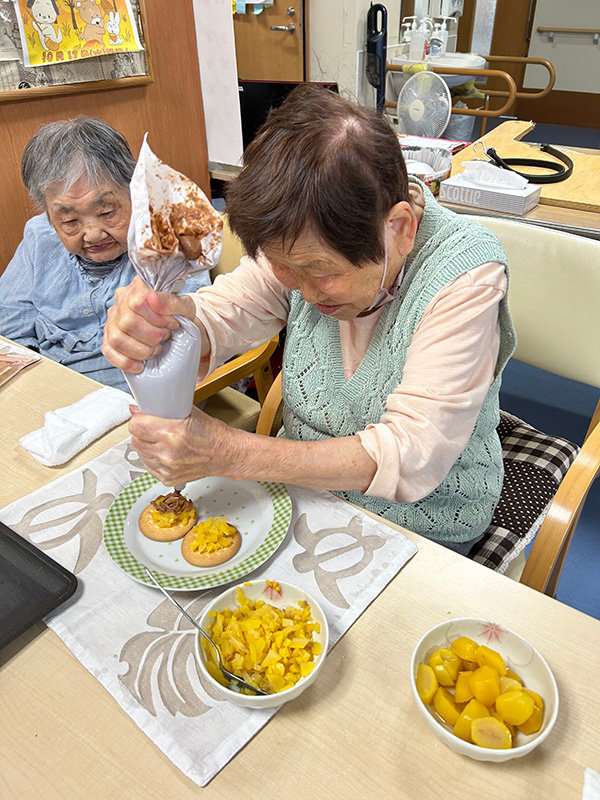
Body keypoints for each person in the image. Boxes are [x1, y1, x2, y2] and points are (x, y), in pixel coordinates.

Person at [102, 85, 516, 554]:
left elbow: (411, 453)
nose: (301, 288)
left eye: (319, 270)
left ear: (399, 228)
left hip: (423, 522)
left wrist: (230, 452)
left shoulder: (466, 274)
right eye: (282, 266)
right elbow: (229, 309)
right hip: (298, 489)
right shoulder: (302, 239)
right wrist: (167, 324)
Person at [0, 116, 209, 393]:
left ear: (134, 190)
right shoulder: (40, 237)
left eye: (107, 212)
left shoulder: (168, 237)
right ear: (49, 214)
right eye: (69, 221)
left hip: (131, 398)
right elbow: (10, 330)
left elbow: (180, 352)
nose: (93, 233)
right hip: (44, 390)